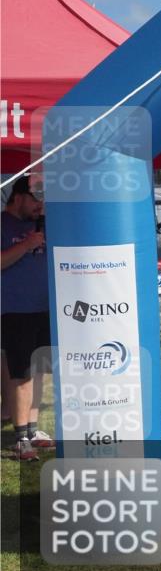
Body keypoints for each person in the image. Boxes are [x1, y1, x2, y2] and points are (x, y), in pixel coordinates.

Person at [1, 176, 55, 460]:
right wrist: (26, 245)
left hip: (43, 308)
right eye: (35, 199)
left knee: (37, 371)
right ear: (18, 196)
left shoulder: (41, 225)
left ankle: (33, 430)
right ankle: (21, 436)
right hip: (14, 310)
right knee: (20, 373)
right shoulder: (3, 224)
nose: (39, 205)